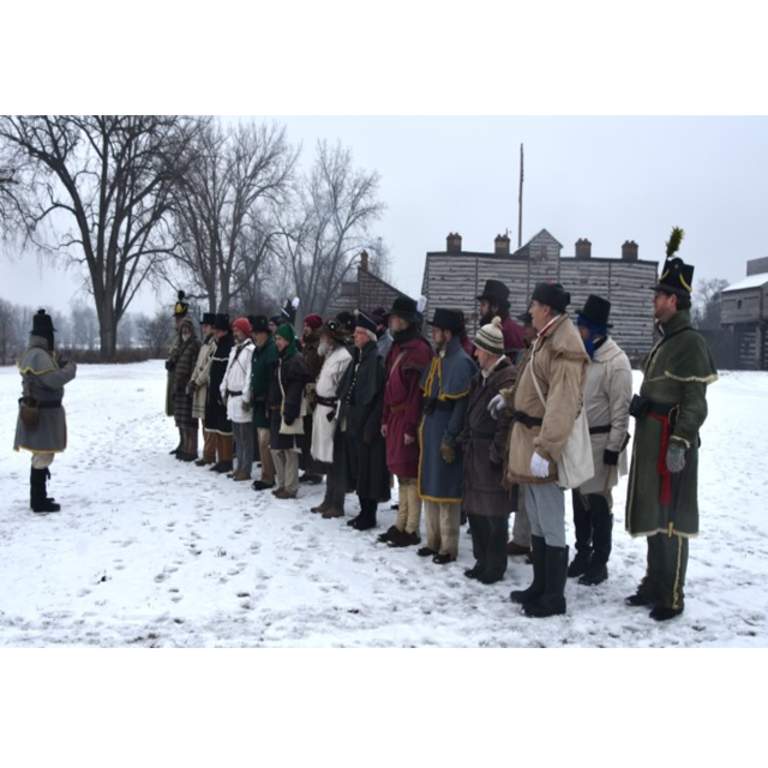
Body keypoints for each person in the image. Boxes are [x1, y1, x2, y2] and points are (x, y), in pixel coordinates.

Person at [625, 229, 717, 621]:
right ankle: (653, 581)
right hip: (652, 435)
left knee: (673, 517)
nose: (653, 301)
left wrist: (680, 441)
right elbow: (664, 387)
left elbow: (696, 402)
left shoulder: (690, 342)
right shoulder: (666, 338)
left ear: (672, 300)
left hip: (671, 442)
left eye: (658, 295)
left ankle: (672, 594)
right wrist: (644, 405)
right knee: (653, 512)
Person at [505, 282, 588, 618]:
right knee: (538, 521)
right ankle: (540, 585)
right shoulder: (547, 339)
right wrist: (509, 397)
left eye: (534, 305)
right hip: (530, 439)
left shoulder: (565, 345)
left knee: (551, 523)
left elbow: (562, 403)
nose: (530, 311)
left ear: (548, 310)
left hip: (542, 443)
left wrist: (547, 449)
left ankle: (555, 596)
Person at [567, 295, 632, 585]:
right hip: (579, 441)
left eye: (582, 326)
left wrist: (613, 449)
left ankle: (600, 560)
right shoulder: (583, 355)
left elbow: (621, 410)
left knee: (599, 503)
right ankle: (583, 552)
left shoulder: (616, 363)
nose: (577, 331)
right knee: (579, 500)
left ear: (595, 330)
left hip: (602, 441)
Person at [460, 317, 517, 584]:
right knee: (476, 512)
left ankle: (495, 565)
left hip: (490, 456)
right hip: (475, 451)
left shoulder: (507, 378)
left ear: (491, 352)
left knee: (494, 514)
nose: (475, 353)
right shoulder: (480, 378)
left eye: (479, 349)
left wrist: (497, 452)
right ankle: (481, 559)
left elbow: (506, 420)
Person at [417, 308, 476, 564]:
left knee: (446, 491)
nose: (433, 334)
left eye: (437, 330)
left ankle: (448, 546)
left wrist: (450, 437)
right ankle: (432, 540)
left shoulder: (462, 362)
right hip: (431, 428)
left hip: (445, 430)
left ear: (448, 333)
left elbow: (460, 406)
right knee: (430, 485)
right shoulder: (437, 358)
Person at [378, 296, 433, 547]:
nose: (392, 322)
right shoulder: (397, 347)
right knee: (400, 472)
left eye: (396, 318)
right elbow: (388, 387)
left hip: (408, 418)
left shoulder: (419, 350)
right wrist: (386, 417)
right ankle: (401, 523)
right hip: (395, 415)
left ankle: (411, 528)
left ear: (406, 321)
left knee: (410, 473)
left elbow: (416, 395)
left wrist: (411, 426)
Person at [14, 309, 77, 514]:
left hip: (41, 413)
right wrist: (69, 369)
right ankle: (38, 500)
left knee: (41, 455)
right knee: (43, 456)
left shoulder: (36, 354)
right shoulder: (38, 356)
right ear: (45, 335)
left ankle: (39, 496)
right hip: (43, 415)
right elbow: (53, 380)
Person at [336, 311, 391, 530]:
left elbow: (377, 397)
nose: (355, 337)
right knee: (359, 470)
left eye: (359, 333)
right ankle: (363, 511)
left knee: (369, 472)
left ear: (368, 336)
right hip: (354, 422)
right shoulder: (358, 359)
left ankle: (369, 514)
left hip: (367, 425)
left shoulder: (375, 360)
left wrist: (370, 425)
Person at [310, 319, 353, 518]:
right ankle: (328, 499)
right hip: (321, 408)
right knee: (328, 459)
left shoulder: (344, 357)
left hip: (332, 411)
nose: (322, 339)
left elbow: (342, 388)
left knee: (336, 459)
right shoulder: (331, 355)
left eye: (325, 336)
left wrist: (336, 411)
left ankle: (337, 503)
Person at [505, 310, 537, 557]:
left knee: (537, 490)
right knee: (524, 488)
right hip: (521, 426)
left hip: (536, 429)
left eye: (528, 325)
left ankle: (537, 541)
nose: (525, 329)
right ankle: (522, 537)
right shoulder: (526, 353)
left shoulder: (541, 352)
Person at [268, 323, 312, 499]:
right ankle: (282, 483)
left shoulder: (294, 360)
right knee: (277, 448)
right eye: (276, 338)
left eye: (279, 339)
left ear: (287, 340)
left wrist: (289, 412)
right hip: (278, 409)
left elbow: (294, 389)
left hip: (288, 410)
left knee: (289, 450)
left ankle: (290, 486)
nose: (277, 342)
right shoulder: (283, 358)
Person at [221, 317, 255, 481]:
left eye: (238, 330)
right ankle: (239, 466)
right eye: (234, 330)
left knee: (245, 437)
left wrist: (246, 396)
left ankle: (245, 469)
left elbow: (249, 375)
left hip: (242, 396)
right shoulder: (234, 350)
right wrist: (224, 387)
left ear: (245, 331)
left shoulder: (250, 350)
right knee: (237, 437)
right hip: (232, 397)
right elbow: (228, 371)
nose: (235, 333)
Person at [249, 315, 278, 491]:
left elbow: (272, 379)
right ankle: (266, 474)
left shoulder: (271, 351)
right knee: (261, 440)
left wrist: (267, 398)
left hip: (267, 403)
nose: (255, 336)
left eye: (258, 333)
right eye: (254, 333)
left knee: (265, 441)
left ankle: (269, 477)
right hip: (258, 402)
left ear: (266, 334)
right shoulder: (256, 351)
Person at [205, 314, 234, 473]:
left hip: (223, 393)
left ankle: (227, 460)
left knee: (225, 428)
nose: (214, 332)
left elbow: (226, 373)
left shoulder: (228, 346)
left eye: (217, 330)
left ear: (223, 331)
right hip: (215, 391)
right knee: (217, 426)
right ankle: (221, 458)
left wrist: (222, 392)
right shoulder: (219, 345)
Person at [188, 312, 218, 466]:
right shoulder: (204, 344)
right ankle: (207, 451)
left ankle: (209, 454)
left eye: (206, 326)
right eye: (204, 326)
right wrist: (192, 380)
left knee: (208, 422)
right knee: (202, 421)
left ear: (213, 327)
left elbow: (208, 367)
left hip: (206, 387)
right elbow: (198, 365)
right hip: (198, 388)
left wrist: (198, 381)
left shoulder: (214, 344)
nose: (204, 328)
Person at [299, 313, 324, 485]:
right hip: (305, 395)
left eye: (308, 325)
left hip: (316, 395)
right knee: (306, 434)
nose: (305, 328)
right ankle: (308, 468)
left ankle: (316, 471)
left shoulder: (319, 347)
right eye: (304, 325)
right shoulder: (306, 346)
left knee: (315, 435)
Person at [173, 316, 201, 462]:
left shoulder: (195, 344)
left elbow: (194, 366)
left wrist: (190, 383)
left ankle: (192, 449)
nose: (185, 332)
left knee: (190, 422)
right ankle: (184, 447)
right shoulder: (180, 345)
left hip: (187, 386)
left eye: (187, 329)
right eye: (183, 329)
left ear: (191, 330)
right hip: (178, 387)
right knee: (181, 420)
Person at [165, 291, 189, 455]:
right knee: (176, 412)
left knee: (183, 413)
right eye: (176, 318)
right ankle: (181, 441)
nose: (177, 321)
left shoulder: (187, 335)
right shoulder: (176, 336)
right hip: (173, 376)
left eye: (179, 318)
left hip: (181, 378)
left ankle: (186, 443)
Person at [476, 279, 525, 357]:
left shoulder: (505, 333)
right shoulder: (503, 328)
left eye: (483, 304)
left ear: (495, 307)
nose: (480, 309)